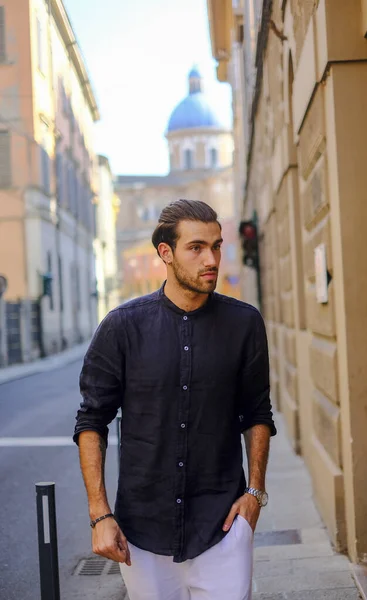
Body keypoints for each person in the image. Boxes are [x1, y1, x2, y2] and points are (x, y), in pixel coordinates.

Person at [73, 199, 276, 600]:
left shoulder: (244, 323)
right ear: (165, 253)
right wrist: (100, 514)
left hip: (222, 528)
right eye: (196, 247)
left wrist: (254, 494)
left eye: (216, 246)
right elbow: (91, 421)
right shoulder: (122, 327)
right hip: (143, 534)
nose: (211, 258)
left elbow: (257, 413)